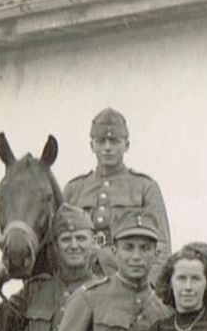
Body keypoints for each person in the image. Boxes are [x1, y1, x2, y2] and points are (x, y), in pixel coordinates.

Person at [63, 107, 172, 279]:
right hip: (82, 279)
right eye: (101, 142)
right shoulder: (74, 189)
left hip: (127, 279)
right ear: (92, 145)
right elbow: (60, 241)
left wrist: (147, 287)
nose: (107, 148)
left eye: (114, 142)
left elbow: (162, 246)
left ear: (126, 145)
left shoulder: (144, 187)